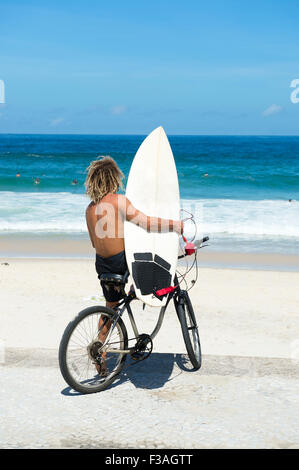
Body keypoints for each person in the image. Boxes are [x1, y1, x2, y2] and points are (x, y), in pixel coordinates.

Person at [85, 156, 183, 375]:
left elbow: (94, 241)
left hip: (102, 264)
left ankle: (99, 348)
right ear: (113, 178)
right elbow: (146, 223)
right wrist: (173, 225)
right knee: (149, 281)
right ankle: (136, 290)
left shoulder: (90, 209)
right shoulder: (119, 202)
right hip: (120, 262)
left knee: (111, 307)